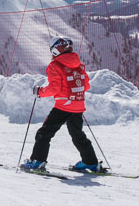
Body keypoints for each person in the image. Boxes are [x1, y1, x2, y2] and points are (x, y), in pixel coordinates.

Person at [21, 37, 101, 173]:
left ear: (56, 51)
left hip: (63, 106)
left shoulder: (55, 66)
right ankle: (90, 162)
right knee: (77, 134)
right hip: (78, 104)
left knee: (44, 133)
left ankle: (37, 161)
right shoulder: (79, 65)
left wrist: (40, 92)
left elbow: (54, 89)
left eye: (52, 51)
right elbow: (86, 85)